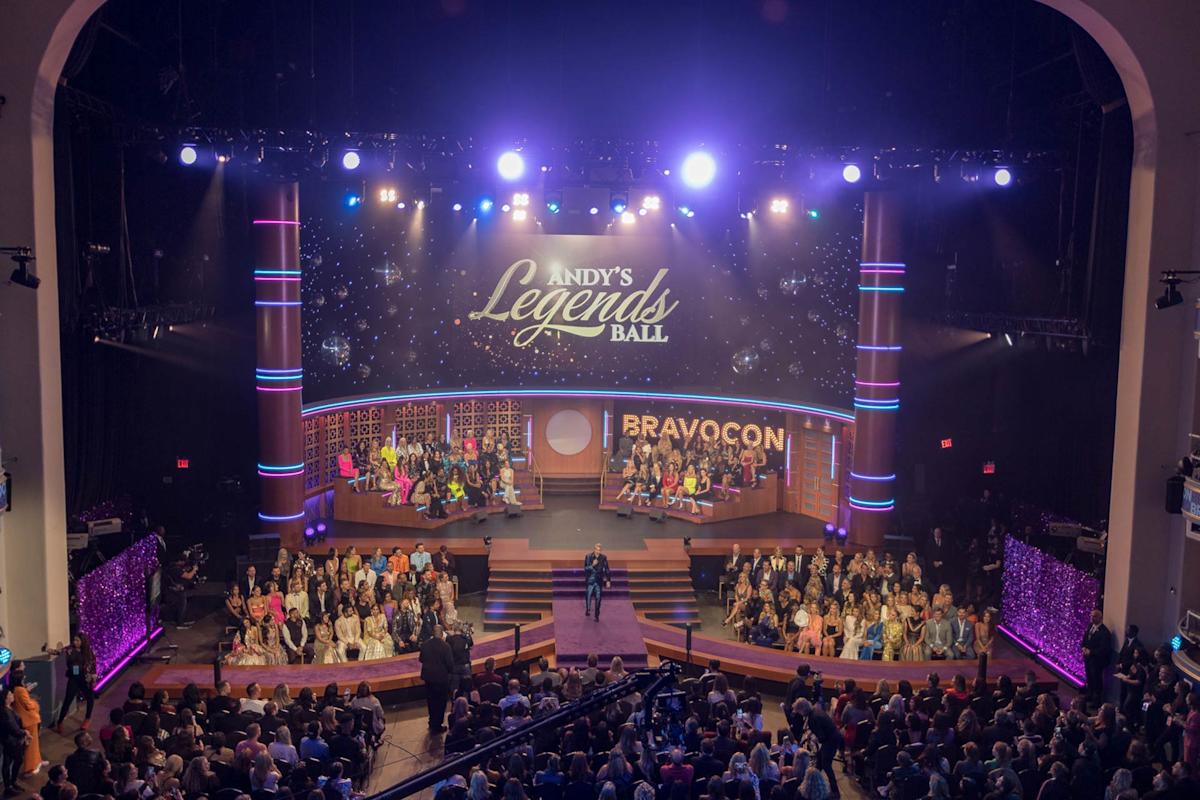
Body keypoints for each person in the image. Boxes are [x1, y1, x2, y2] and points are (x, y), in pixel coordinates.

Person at [49, 635, 96, 733]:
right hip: (74, 678)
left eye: (77, 640)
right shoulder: (70, 649)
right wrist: (49, 650)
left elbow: (93, 665)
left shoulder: (88, 652)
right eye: (74, 640)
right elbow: (59, 652)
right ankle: (60, 721)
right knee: (67, 700)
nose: (75, 642)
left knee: (90, 698)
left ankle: (87, 719)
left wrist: (93, 677)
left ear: (82, 641)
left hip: (85, 679)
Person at [11, 671, 47, 777]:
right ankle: (30, 768)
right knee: (31, 745)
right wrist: (35, 703)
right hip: (29, 720)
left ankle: (37, 761)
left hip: (28, 720)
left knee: (34, 743)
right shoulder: (20, 690)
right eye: (23, 678)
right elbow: (28, 705)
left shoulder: (17, 689)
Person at [420, 625, 455, 732]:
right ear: (441, 634)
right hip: (441, 679)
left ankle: (432, 722)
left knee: (431, 701)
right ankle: (437, 725)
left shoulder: (425, 645)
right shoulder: (446, 646)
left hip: (428, 679)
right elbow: (450, 664)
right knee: (440, 702)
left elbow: (421, 659)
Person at [0, 688, 29, 796]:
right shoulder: (5, 713)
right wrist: (24, 733)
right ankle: (11, 784)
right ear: (6, 699)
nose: (12, 695)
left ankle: (10, 785)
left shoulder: (7, 709)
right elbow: (13, 729)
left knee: (7, 764)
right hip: (12, 742)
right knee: (17, 760)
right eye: (10, 694)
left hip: (9, 741)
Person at [1082, 608, 1112, 707]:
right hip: (1088, 658)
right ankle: (1089, 694)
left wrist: (1091, 652)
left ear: (1100, 618)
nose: (1092, 618)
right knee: (1089, 678)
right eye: (1091, 616)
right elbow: (1085, 638)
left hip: (1097, 660)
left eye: (1094, 616)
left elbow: (1103, 648)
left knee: (1097, 680)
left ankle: (1096, 701)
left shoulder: (1104, 632)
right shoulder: (1090, 626)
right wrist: (1083, 648)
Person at [584, 543, 612, 622]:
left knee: (598, 599)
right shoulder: (588, 556)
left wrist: (608, 580)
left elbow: (607, 569)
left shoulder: (603, 558)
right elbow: (585, 569)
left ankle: (597, 615)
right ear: (594, 549)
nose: (598, 551)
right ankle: (588, 609)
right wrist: (592, 565)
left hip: (599, 581)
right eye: (597, 549)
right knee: (588, 596)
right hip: (590, 581)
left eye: (599, 550)